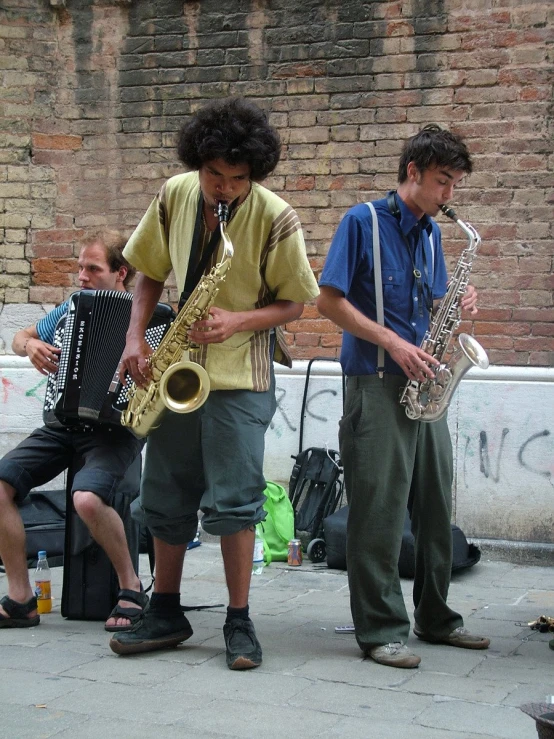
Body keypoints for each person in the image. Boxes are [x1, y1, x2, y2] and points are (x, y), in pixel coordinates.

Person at [109, 97, 319, 670]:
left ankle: (239, 619)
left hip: (239, 376)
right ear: (196, 163)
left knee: (235, 502)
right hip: (177, 370)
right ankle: (167, 608)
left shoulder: (276, 216)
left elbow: (296, 304)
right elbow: (150, 270)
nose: (223, 188)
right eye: (214, 175)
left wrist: (235, 320)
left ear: (255, 174)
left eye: (237, 179)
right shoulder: (175, 194)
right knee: (165, 495)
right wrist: (135, 341)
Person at [316, 125, 490, 668]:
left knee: (436, 506)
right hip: (375, 381)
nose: (449, 197)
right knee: (380, 512)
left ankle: (436, 618)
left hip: (427, 383)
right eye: (442, 182)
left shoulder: (434, 236)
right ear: (412, 172)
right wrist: (391, 341)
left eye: (455, 184)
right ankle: (380, 629)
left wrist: (461, 301)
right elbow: (327, 301)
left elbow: (435, 303)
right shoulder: (361, 221)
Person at [0, 230, 148, 632]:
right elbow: (19, 337)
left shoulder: (149, 316)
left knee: (86, 499)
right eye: (79, 267)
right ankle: (20, 599)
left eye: (92, 268)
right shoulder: (70, 308)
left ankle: (131, 587)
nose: (81, 276)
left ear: (121, 272)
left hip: (114, 430)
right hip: (64, 422)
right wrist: (29, 347)